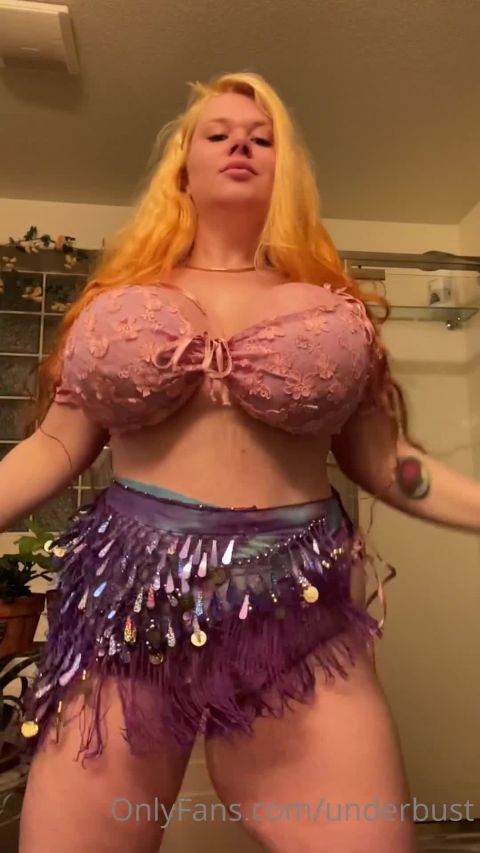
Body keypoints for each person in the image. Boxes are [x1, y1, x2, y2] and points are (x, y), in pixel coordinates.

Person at [6, 71, 479, 853]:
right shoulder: (119, 301)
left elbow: (390, 463)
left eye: (262, 138)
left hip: (296, 612)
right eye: (219, 133)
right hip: (128, 607)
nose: (241, 145)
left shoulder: (330, 305)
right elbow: (55, 445)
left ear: (284, 169)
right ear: (182, 167)